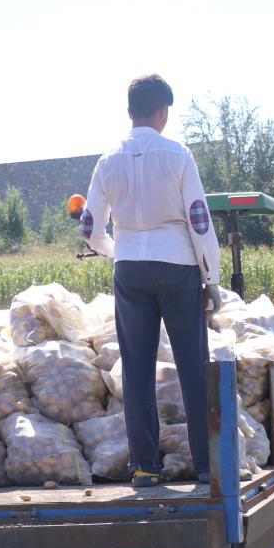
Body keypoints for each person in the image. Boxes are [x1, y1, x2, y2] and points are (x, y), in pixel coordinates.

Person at [81, 73, 221, 488]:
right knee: (192, 366)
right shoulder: (178, 155)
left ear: (130, 112)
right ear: (163, 112)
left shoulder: (107, 161)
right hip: (177, 266)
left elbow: (89, 226)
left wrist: (115, 250)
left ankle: (145, 467)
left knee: (137, 369)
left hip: (130, 269)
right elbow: (199, 219)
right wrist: (210, 276)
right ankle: (205, 464)